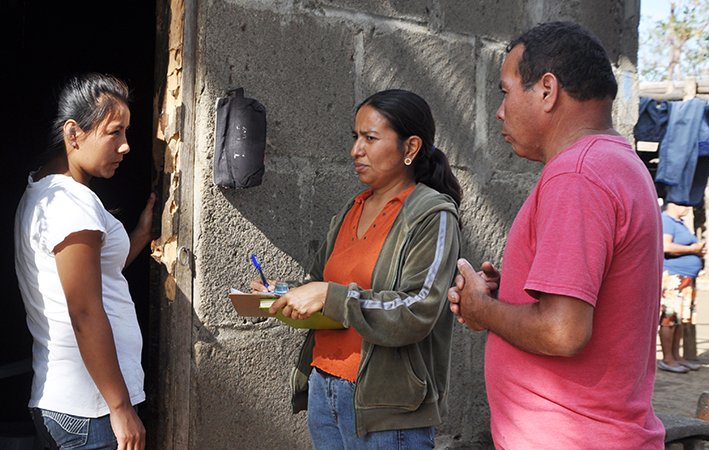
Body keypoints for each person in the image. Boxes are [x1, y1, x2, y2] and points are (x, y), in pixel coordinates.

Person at [446, 22, 665, 448]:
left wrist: (480, 309)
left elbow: (562, 331)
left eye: (505, 91)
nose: (499, 110)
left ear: (547, 90)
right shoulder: (616, 163)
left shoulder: (577, 174)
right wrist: (506, 296)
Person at [251, 89, 462, 449]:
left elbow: (418, 309)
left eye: (370, 138)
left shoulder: (431, 214)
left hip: (387, 407)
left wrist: (329, 296)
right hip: (324, 387)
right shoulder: (352, 209)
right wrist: (285, 290)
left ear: (410, 148)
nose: (355, 150)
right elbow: (322, 284)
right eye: (355, 137)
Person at [14, 73, 156, 450]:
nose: (126, 146)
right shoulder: (70, 204)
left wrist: (142, 233)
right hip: (91, 412)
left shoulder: (44, 194)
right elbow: (85, 311)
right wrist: (121, 405)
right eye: (115, 132)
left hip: (75, 407)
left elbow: (95, 278)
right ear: (73, 134)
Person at [658, 202, 705, 373]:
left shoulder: (680, 223)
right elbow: (666, 246)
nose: (687, 208)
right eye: (684, 204)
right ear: (673, 203)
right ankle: (667, 358)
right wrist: (692, 249)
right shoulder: (666, 220)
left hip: (685, 278)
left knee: (680, 320)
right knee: (669, 319)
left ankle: (676, 356)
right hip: (673, 277)